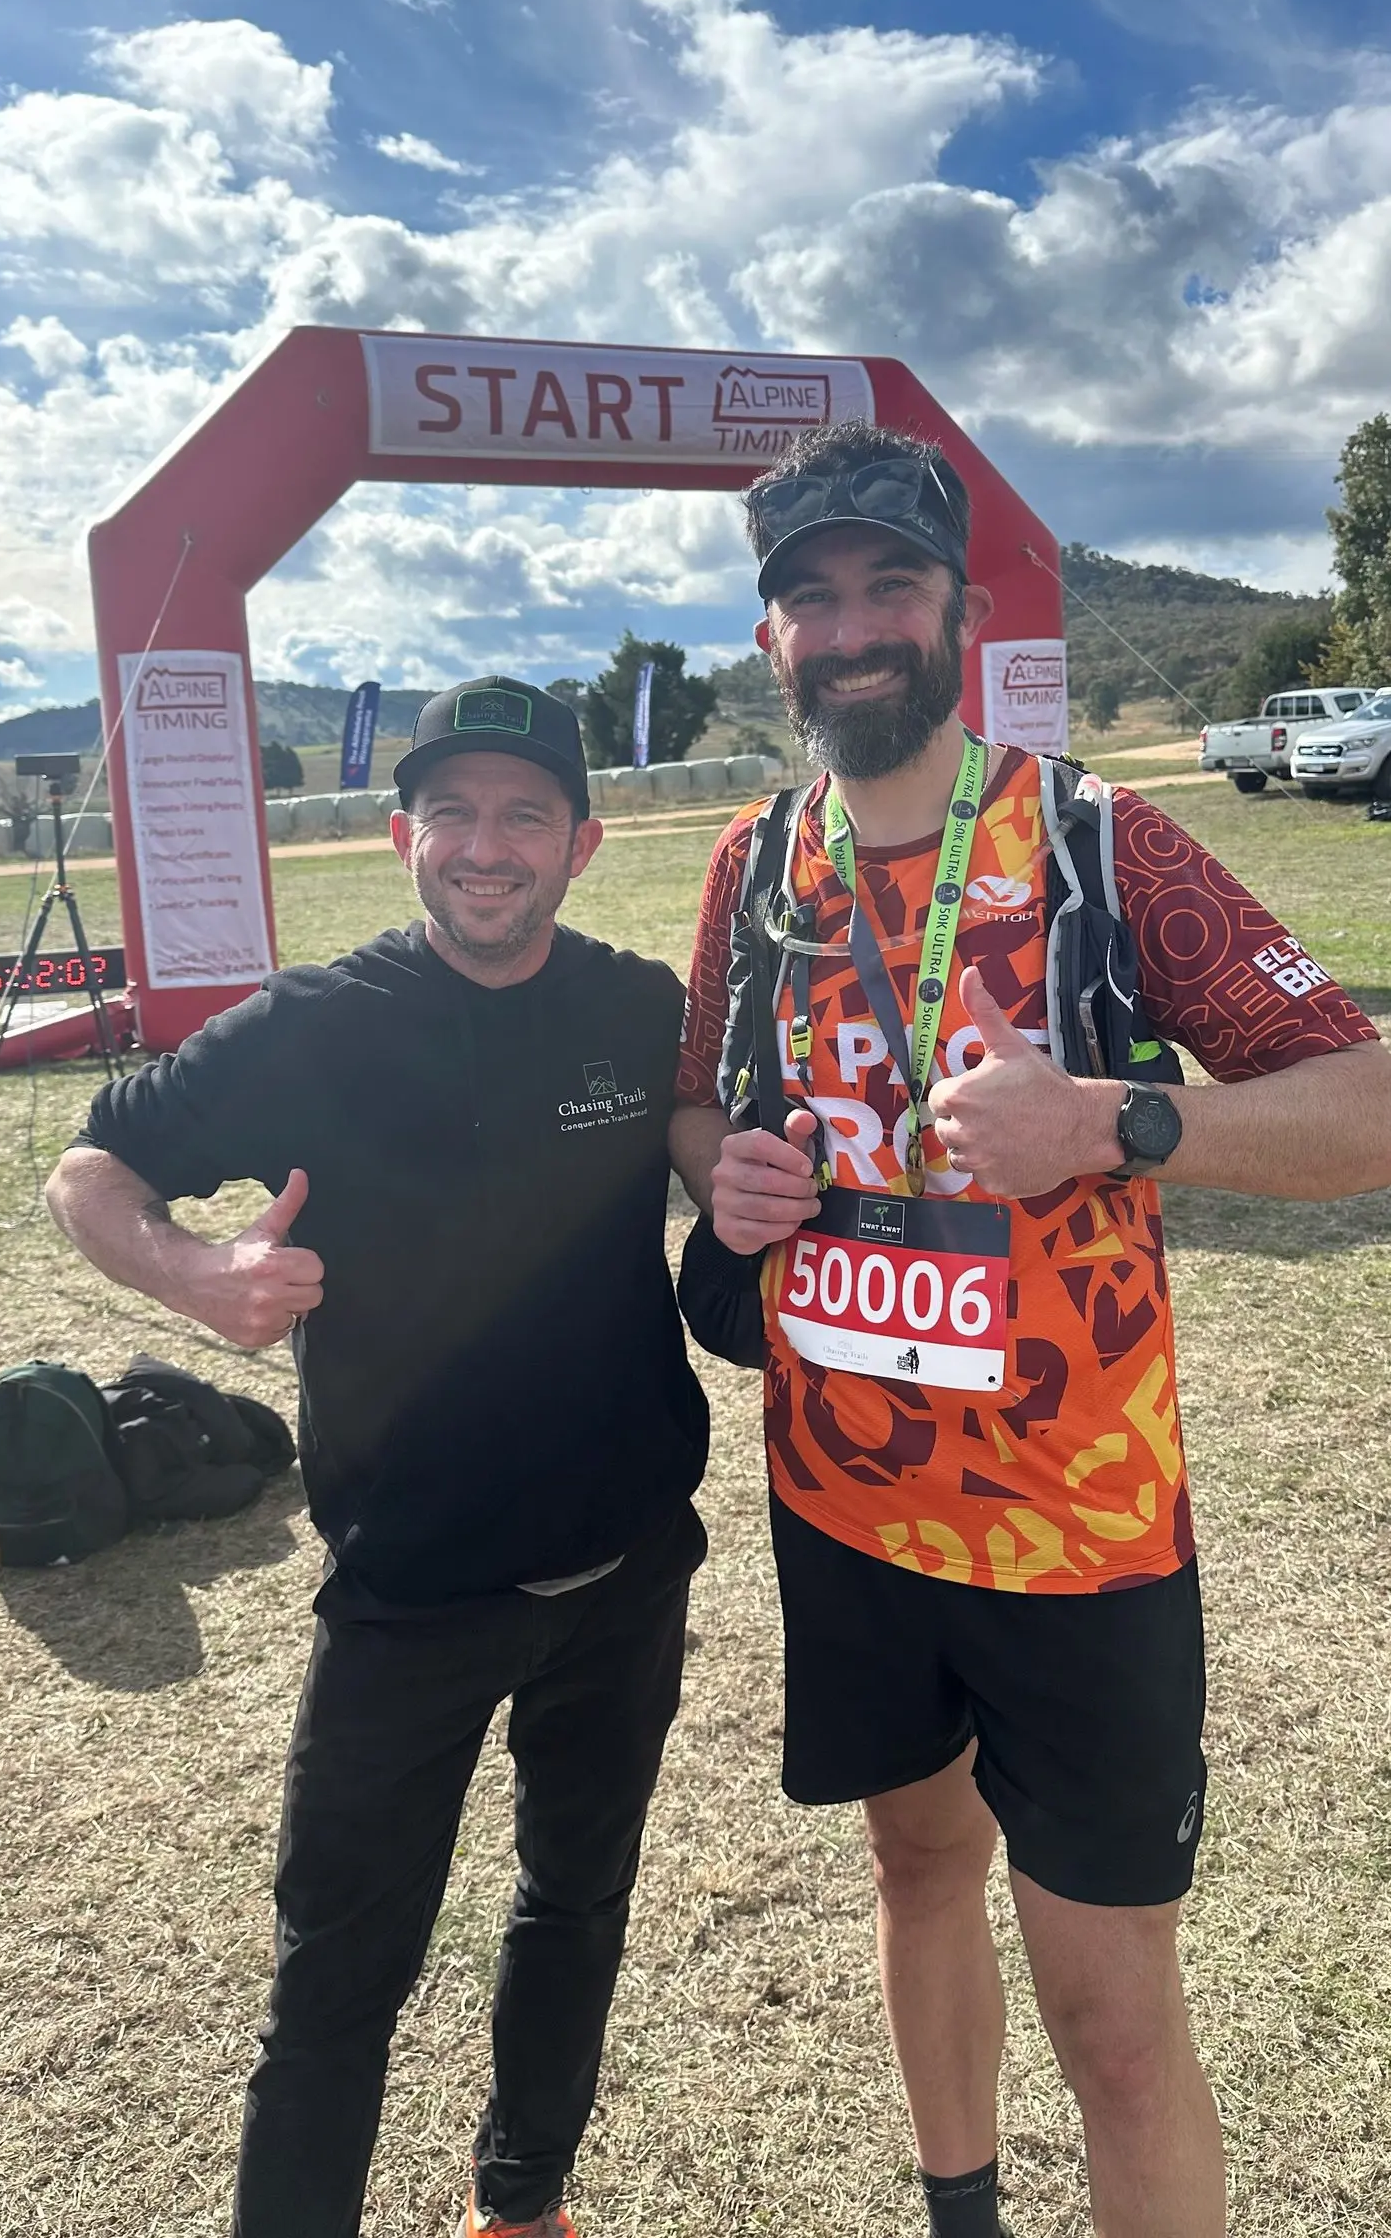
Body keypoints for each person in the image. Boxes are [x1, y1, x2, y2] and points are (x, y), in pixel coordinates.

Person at [669, 423, 1391, 2238]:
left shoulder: (1095, 840)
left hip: (1078, 1541)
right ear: (770, 641)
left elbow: (1367, 1099)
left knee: (1119, 2023)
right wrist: (726, 1179)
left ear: (957, 613)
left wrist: (1123, 1120)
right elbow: (700, 1105)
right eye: (809, 598)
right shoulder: (758, 866)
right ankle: (962, 2210)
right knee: (916, 1867)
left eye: (888, 586)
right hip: (842, 1510)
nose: (850, 628)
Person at [47, 676, 710, 2238]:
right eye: (457, 813)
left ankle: (522, 2205)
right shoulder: (310, 1027)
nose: (488, 848)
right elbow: (92, 1167)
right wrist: (193, 1277)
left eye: (525, 816)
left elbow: (703, 1131)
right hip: (410, 1593)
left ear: (582, 843)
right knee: (335, 1980)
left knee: (576, 1904)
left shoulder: (635, 1006)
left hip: (627, 1572)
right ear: (406, 831)